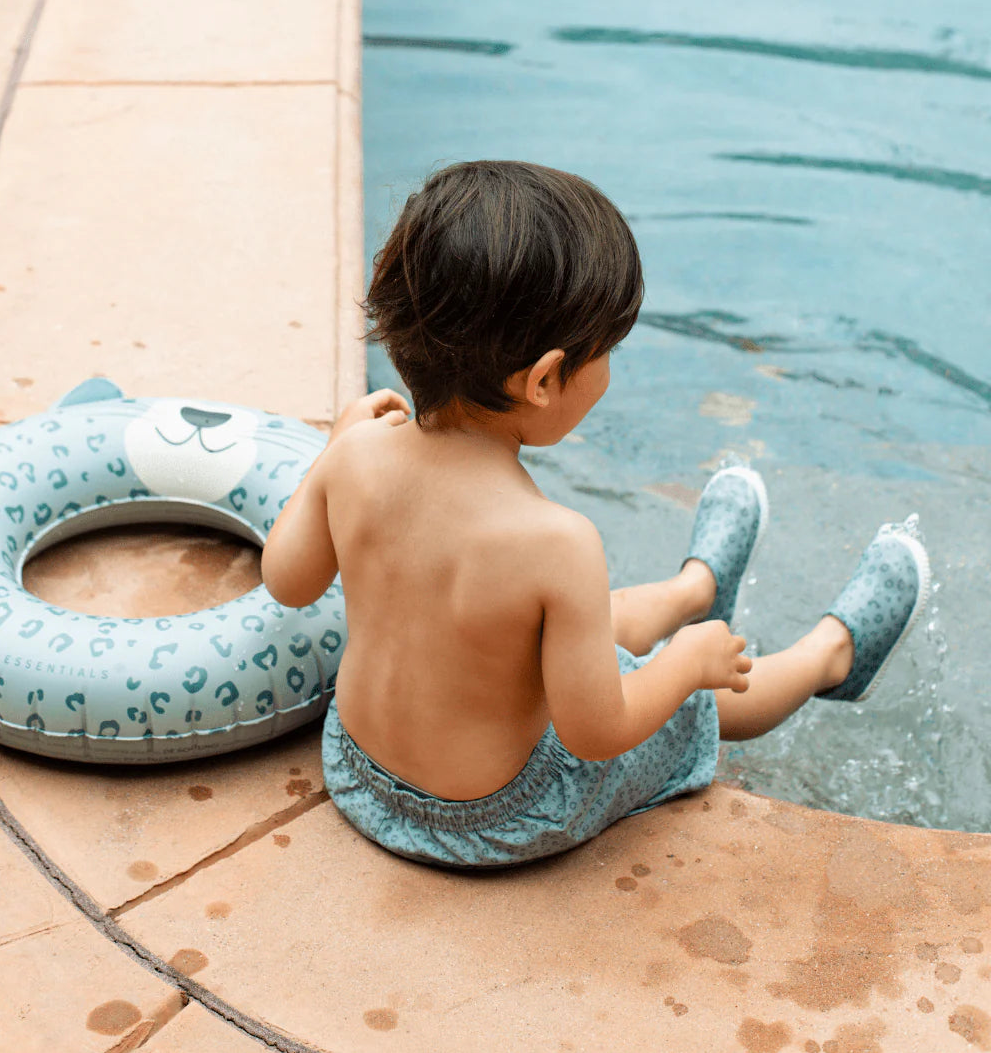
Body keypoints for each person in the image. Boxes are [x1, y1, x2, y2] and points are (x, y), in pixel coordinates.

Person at [261, 160, 930, 868]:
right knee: (692, 697)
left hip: (363, 774)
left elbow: (288, 581)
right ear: (546, 379)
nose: (610, 365)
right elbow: (596, 732)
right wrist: (684, 666)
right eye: (607, 351)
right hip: (493, 816)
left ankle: (695, 589)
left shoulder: (357, 454)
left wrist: (336, 449)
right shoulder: (556, 542)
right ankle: (831, 655)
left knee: (561, 629)